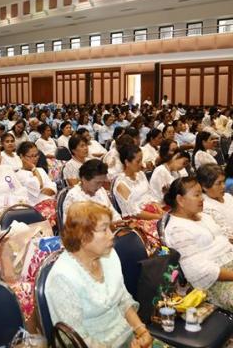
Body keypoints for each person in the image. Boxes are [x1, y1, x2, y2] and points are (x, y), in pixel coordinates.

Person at [45, 202, 153, 348]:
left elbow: (123, 300)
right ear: (82, 236)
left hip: (127, 336)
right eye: (104, 229)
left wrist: (141, 331)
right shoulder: (62, 277)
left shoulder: (109, 255)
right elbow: (75, 338)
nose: (111, 235)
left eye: (110, 228)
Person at [164, 177, 233, 312]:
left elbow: (224, 240)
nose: (202, 199)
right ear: (180, 200)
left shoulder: (203, 216)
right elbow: (199, 270)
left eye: (201, 194)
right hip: (214, 282)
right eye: (197, 195)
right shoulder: (177, 230)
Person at [113, 144, 163, 220]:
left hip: (150, 212)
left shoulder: (141, 174)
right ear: (127, 162)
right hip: (135, 219)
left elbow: (150, 195)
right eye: (138, 161)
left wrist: (159, 209)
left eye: (141, 160)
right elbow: (134, 212)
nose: (141, 164)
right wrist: (158, 217)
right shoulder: (121, 184)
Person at [16, 142, 57, 227]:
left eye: (36, 155)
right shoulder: (19, 175)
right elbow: (38, 185)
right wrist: (33, 168)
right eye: (31, 156)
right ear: (22, 156)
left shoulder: (41, 170)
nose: (35, 159)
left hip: (51, 202)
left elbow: (53, 188)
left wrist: (46, 190)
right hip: (35, 207)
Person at [197, 164, 233, 241]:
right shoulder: (205, 207)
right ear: (205, 187)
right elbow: (226, 236)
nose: (223, 186)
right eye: (218, 183)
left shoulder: (228, 197)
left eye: (224, 181)